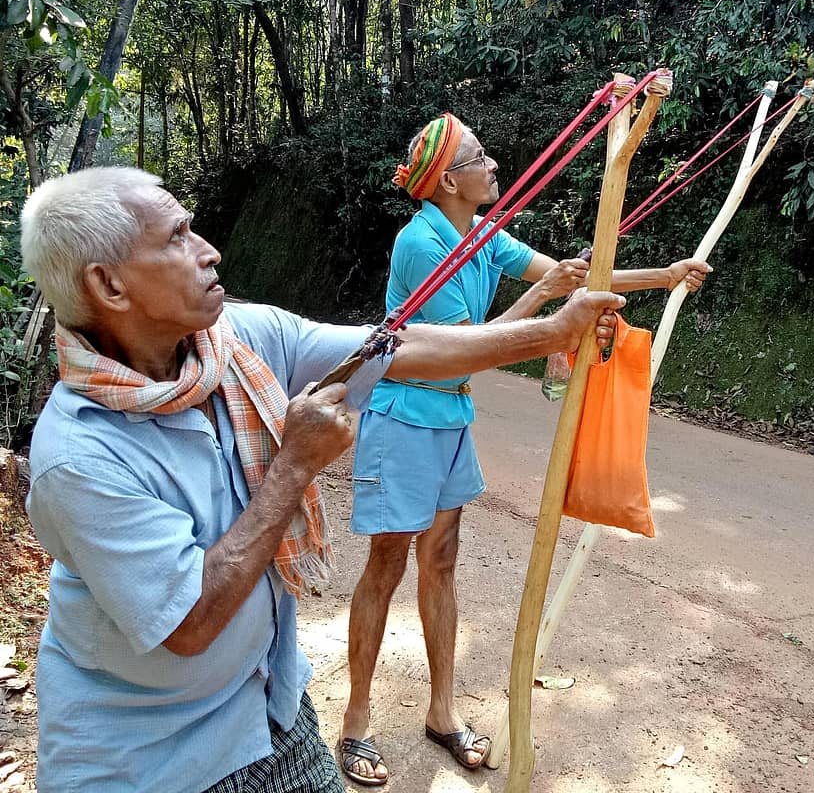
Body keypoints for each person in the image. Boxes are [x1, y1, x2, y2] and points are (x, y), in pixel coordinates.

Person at [19, 166, 623, 793]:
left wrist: (553, 331)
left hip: (270, 702)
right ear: (109, 284)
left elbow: (391, 347)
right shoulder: (80, 457)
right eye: (176, 237)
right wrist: (296, 464)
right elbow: (189, 624)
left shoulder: (237, 341)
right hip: (154, 761)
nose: (208, 250)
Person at [340, 113, 711, 785]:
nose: (493, 165)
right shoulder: (421, 243)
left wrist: (665, 275)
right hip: (402, 416)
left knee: (443, 559)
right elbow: (459, 356)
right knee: (388, 562)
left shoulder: (481, 233)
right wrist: (542, 295)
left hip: (448, 418)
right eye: (479, 158)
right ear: (450, 180)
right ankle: (357, 721)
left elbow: (575, 276)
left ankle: (442, 712)